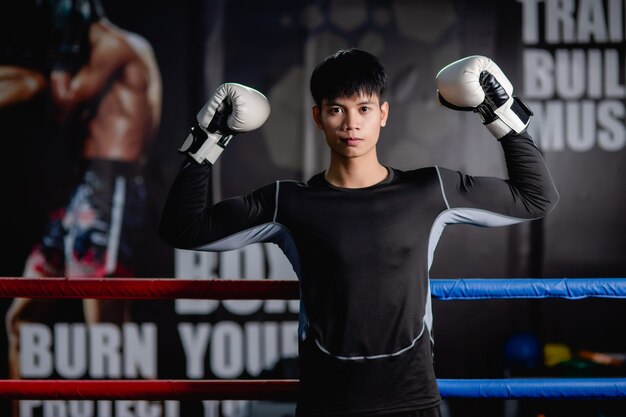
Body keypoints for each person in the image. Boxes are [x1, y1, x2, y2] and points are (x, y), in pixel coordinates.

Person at [158, 49, 559, 417]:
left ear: (383, 114)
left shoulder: (428, 190)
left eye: (364, 108)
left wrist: (501, 114)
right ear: (318, 117)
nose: (351, 124)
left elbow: (536, 197)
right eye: (337, 110)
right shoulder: (289, 203)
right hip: (326, 405)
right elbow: (183, 227)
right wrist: (208, 139)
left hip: (413, 402)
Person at [5, 0, 162, 382]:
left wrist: (60, 60)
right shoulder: (98, 54)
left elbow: (62, 103)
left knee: (107, 333)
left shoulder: (113, 45)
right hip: (80, 191)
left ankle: (153, 409)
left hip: (110, 188)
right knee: (20, 318)